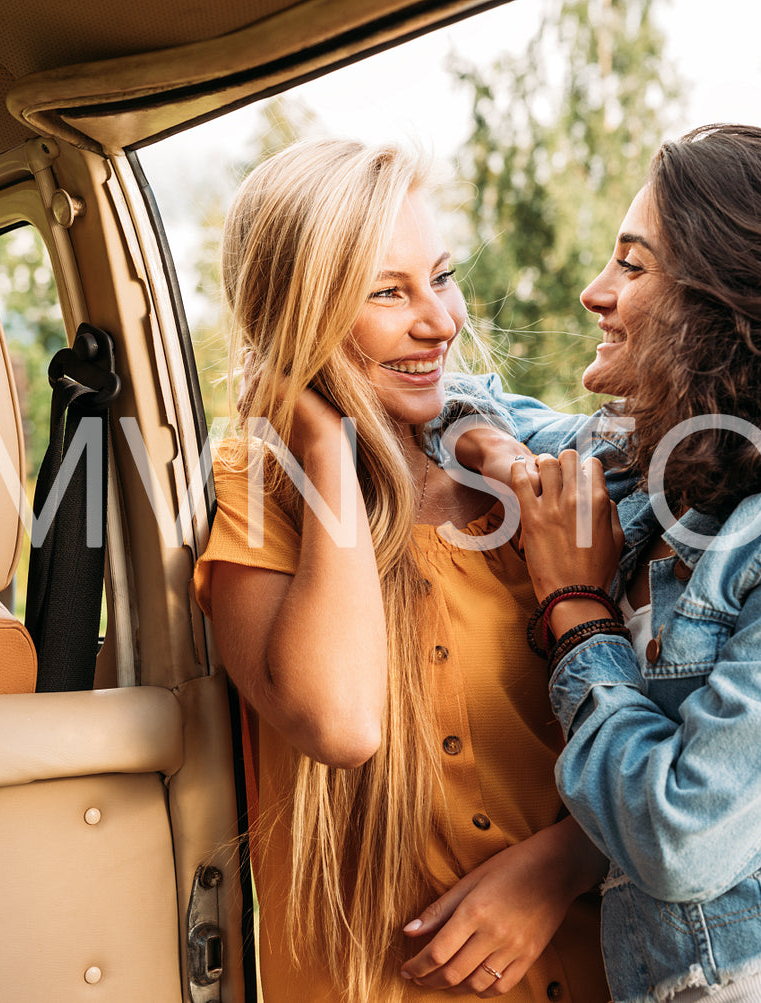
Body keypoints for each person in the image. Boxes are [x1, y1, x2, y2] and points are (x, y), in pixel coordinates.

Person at [448, 124, 761, 1003]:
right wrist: (486, 447)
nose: (592, 292)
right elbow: (464, 399)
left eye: (632, 265)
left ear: (727, 304)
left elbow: (682, 838)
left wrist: (576, 604)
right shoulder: (666, 468)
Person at [190, 138, 610, 1003]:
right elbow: (340, 723)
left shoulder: (521, 478)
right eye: (389, 292)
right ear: (301, 314)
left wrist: (560, 865)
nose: (441, 320)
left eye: (442, 277)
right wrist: (323, 447)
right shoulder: (254, 490)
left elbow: (662, 736)